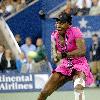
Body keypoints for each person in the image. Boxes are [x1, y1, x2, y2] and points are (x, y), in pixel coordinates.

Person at [37, 12, 94, 100]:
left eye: (61, 23)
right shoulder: (54, 35)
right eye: (57, 22)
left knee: (79, 87)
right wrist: (55, 57)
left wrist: (64, 54)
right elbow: (55, 54)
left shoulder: (75, 31)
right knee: (44, 92)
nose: (58, 25)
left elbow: (82, 51)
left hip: (79, 64)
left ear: (68, 24)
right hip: (65, 65)